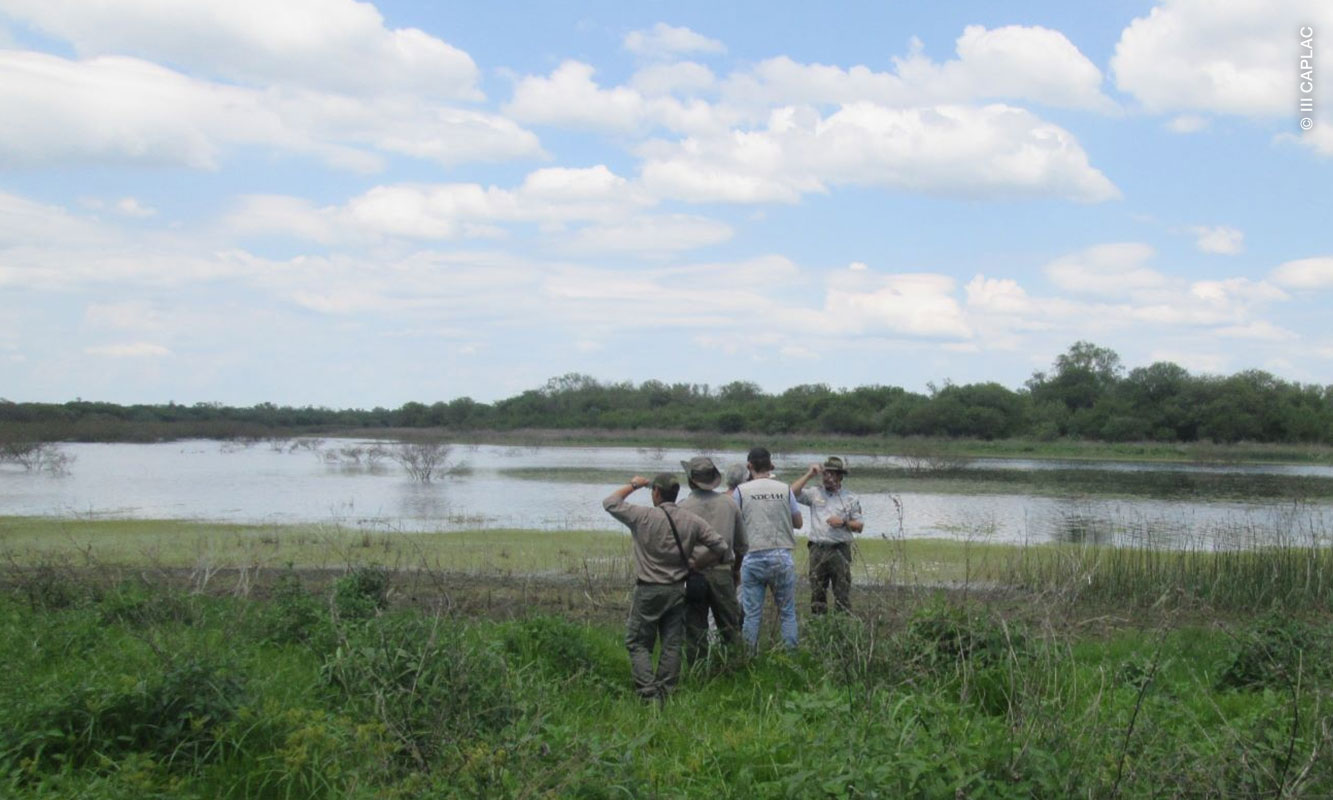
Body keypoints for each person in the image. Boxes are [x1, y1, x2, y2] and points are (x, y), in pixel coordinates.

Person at [603, 472, 729, 702]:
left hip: (648, 589)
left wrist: (633, 485)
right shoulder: (691, 520)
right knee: (671, 643)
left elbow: (610, 502)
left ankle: (648, 693)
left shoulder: (642, 516)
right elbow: (721, 546)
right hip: (677, 589)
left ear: (656, 493)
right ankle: (666, 691)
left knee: (638, 642)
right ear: (676, 493)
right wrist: (696, 563)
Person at [677, 456, 747, 662]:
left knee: (694, 628)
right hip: (722, 572)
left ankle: (697, 670)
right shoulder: (729, 504)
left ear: (691, 480)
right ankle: (735, 668)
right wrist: (736, 571)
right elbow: (742, 545)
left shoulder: (682, 507)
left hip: (693, 575)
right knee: (730, 627)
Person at [733, 446, 802, 650]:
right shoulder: (784, 488)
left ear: (749, 466)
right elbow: (798, 522)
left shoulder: (740, 491)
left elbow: (733, 521)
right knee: (788, 613)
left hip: (752, 557)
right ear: (770, 465)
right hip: (781, 556)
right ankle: (792, 656)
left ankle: (748, 656)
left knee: (752, 615)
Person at [790, 456, 864, 614]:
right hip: (817, 550)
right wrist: (809, 474)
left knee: (842, 593)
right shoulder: (815, 493)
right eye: (825, 474)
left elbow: (859, 526)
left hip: (840, 550)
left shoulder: (850, 498)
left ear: (840, 476)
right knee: (817, 592)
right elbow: (791, 494)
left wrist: (843, 523)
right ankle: (819, 625)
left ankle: (842, 626)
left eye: (831, 474)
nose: (827, 477)